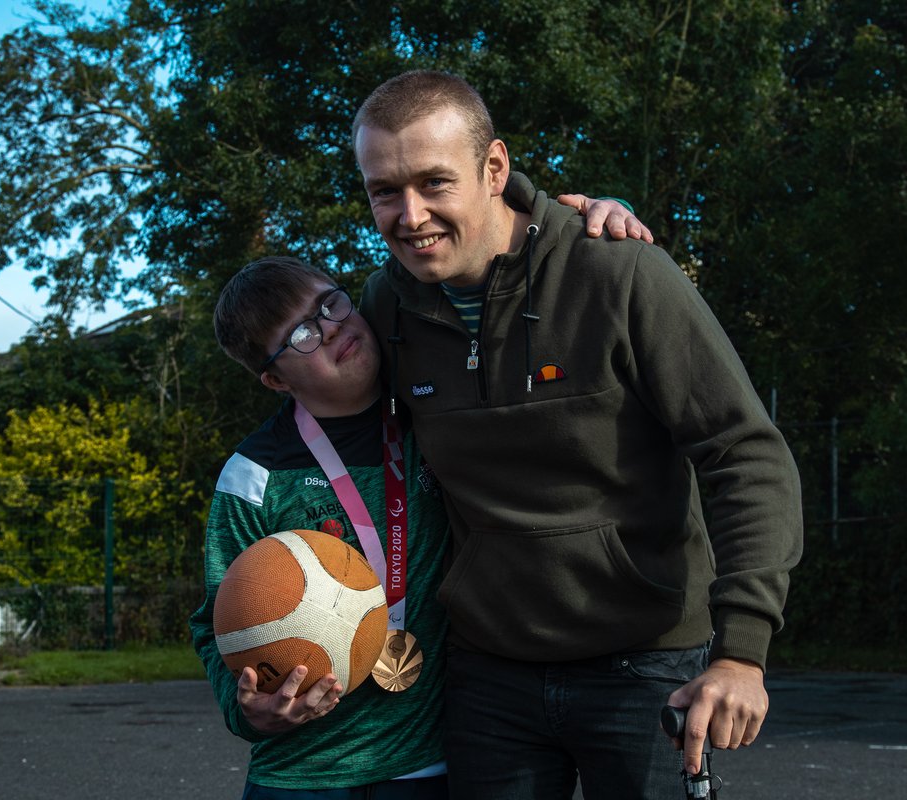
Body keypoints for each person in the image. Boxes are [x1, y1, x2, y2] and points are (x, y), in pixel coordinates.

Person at [353, 70, 803, 799]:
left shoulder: (617, 272)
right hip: (487, 674)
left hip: (644, 662)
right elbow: (338, 436)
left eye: (435, 183)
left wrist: (742, 652)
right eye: (383, 190)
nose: (409, 214)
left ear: (494, 169)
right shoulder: (385, 306)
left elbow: (744, 455)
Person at [191, 189, 647, 798]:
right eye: (300, 334)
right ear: (273, 378)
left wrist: (587, 221)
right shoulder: (254, 476)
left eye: (330, 304)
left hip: (426, 760)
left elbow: (487, 273)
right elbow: (216, 621)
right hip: (303, 771)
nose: (330, 330)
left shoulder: (434, 421)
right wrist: (246, 711)